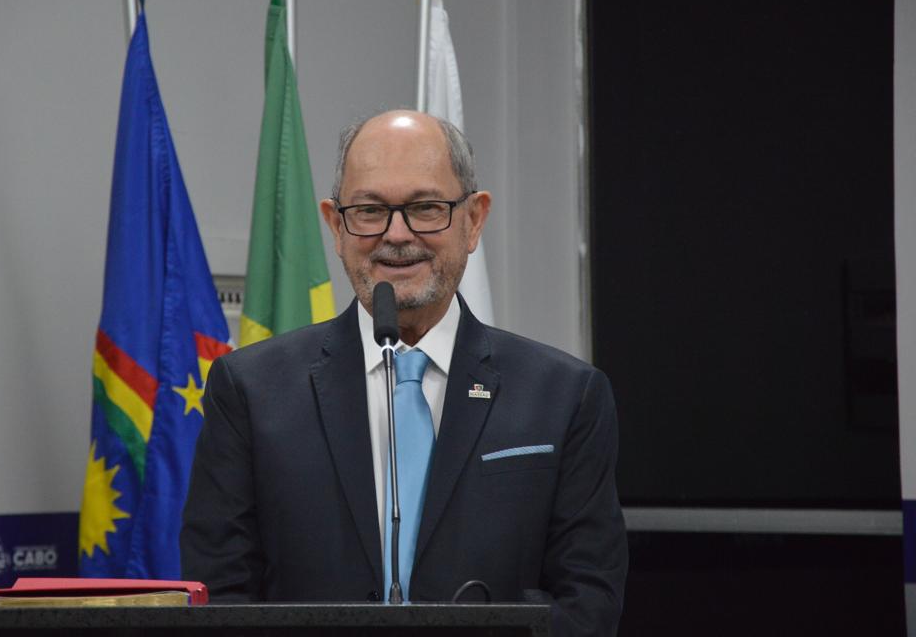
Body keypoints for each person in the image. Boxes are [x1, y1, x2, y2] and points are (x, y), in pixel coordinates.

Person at [181, 110, 628, 636]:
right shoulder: (250, 390)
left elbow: (587, 604)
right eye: (370, 210)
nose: (396, 235)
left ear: (474, 219)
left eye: (425, 208)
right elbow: (220, 597)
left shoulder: (565, 397)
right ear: (336, 225)